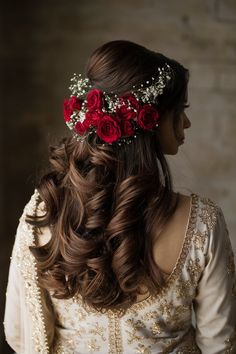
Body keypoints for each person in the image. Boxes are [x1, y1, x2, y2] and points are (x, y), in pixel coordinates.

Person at [4, 40, 236, 354]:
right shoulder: (202, 223)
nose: (187, 123)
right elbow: (220, 344)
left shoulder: (44, 212)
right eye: (180, 110)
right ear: (150, 120)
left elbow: (24, 336)